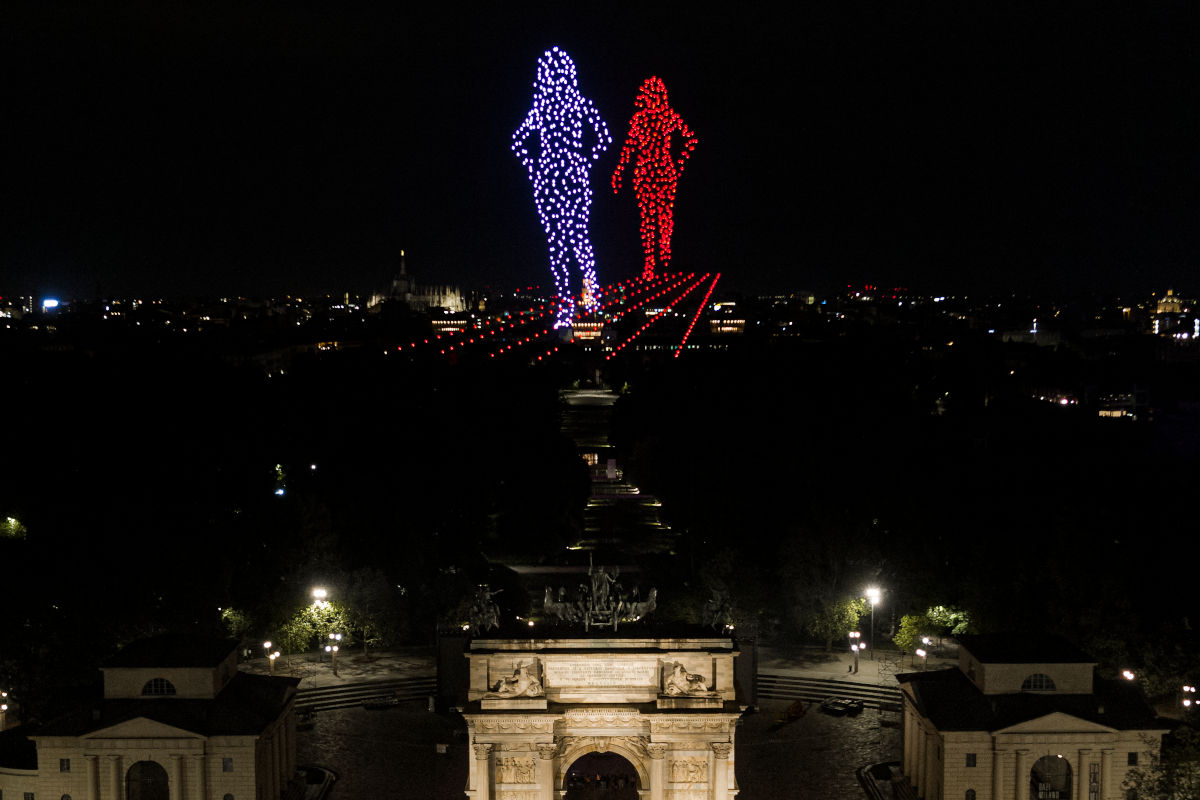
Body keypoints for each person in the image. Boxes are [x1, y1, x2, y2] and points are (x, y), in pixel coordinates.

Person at [512, 47, 611, 328]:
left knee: (560, 246)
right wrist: (583, 163)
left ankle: (568, 307)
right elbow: (603, 137)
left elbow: (519, 143)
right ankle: (589, 302)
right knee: (579, 240)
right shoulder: (576, 102)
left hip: (550, 181)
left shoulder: (541, 107)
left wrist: (537, 169)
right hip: (574, 180)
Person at [611, 76, 698, 280]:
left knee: (658, 219)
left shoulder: (658, 117)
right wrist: (619, 172)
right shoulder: (653, 118)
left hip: (655, 173)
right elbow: (629, 149)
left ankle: (659, 265)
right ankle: (655, 265)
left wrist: (678, 164)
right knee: (655, 220)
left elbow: (690, 138)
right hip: (654, 174)